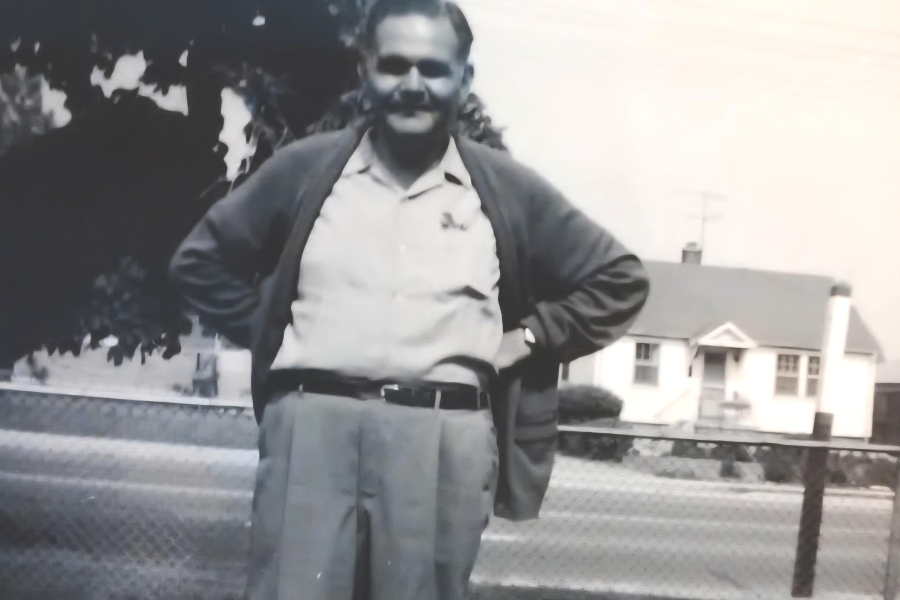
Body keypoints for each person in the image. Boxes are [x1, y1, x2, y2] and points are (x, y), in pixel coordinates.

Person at [168, 1, 650, 598]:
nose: (413, 85)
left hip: (442, 439)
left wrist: (526, 339)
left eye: (434, 68)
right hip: (313, 433)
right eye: (394, 65)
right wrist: (273, 330)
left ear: (464, 78)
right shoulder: (305, 171)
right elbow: (200, 262)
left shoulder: (504, 188)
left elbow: (620, 280)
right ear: (366, 70)